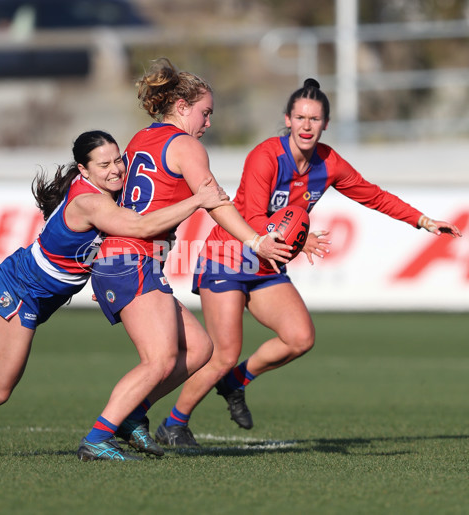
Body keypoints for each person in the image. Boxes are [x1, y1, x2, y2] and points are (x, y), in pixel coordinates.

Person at [0, 129, 231, 460]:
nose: (116, 171)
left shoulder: (106, 191)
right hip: (23, 289)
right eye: (104, 165)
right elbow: (140, 227)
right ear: (83, 169)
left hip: (34, 285)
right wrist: (198, 199)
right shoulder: (92, 202)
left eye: (118, 161)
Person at [157, 78, 463, 446]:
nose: (306, 125)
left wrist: (422, 220)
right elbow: (253, 217)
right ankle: (174, 424)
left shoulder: (328, 163)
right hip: (229, 253)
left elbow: (373, 195)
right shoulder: (265, 156)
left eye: (314, 119)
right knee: (223, 352)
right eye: (299, 117)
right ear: (287, 119)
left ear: (325, 124)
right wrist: (298, 243)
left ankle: (234, 382)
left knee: (299, 337)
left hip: (268, 261)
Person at [78, 57, 292, 460]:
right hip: (132, 260)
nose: (207, 123)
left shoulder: (143, 137)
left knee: (198, 349)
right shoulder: (186, 145)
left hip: (124, 260)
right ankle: (97, 437)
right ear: (181, 107)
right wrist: (257, 241)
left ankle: (131, 416)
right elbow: (216, 202)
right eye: (204, 113)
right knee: (159, 359)